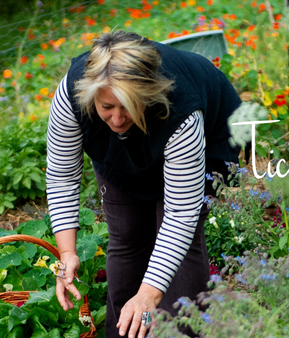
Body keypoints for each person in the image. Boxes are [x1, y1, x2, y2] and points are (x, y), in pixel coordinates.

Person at [45, 30, 242, 338]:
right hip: (124, 150)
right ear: (92, 94)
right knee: (126, 234)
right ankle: (123, 332)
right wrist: (67, 252)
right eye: (108, 106)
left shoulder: (182, 114)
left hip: (204, 134)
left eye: (128, 106)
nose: (118, 118)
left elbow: (180, 215)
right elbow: (62, 177)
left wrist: (149, 293)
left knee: (183, 246)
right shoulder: (72, 97)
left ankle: (181, 332)